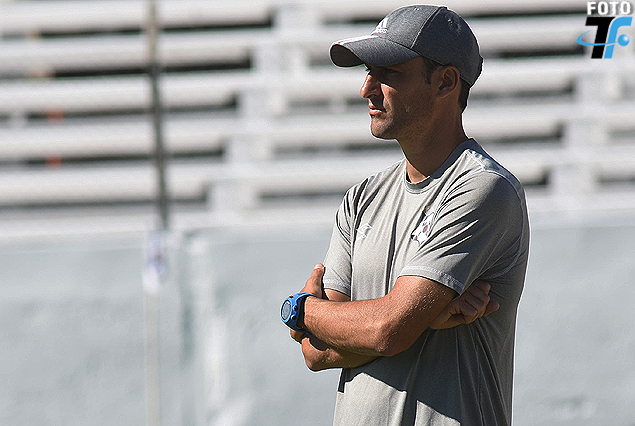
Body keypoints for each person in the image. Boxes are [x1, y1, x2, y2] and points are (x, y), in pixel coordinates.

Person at [282, 5, 530, 426]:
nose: (366, 89)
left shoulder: (483, 188)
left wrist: (302, 311)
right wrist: (422, 321)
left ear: (446, 82)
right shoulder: (361, 198)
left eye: (389, 73)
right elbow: (316, 352)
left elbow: (385, 330)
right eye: (369, 72)